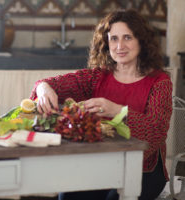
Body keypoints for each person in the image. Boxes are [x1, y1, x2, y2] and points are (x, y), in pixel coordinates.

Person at [29, 9, 172, 200]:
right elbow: (49, 84)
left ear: (141, 41)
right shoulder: (97, 76)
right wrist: (43, 89)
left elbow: (156, 132)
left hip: (144, 170)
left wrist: (117, 111)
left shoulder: (159, 82)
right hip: (101, 163)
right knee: (68, 196)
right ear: (106, 43)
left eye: (127, 37)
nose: (120, 46)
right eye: (113, 38)